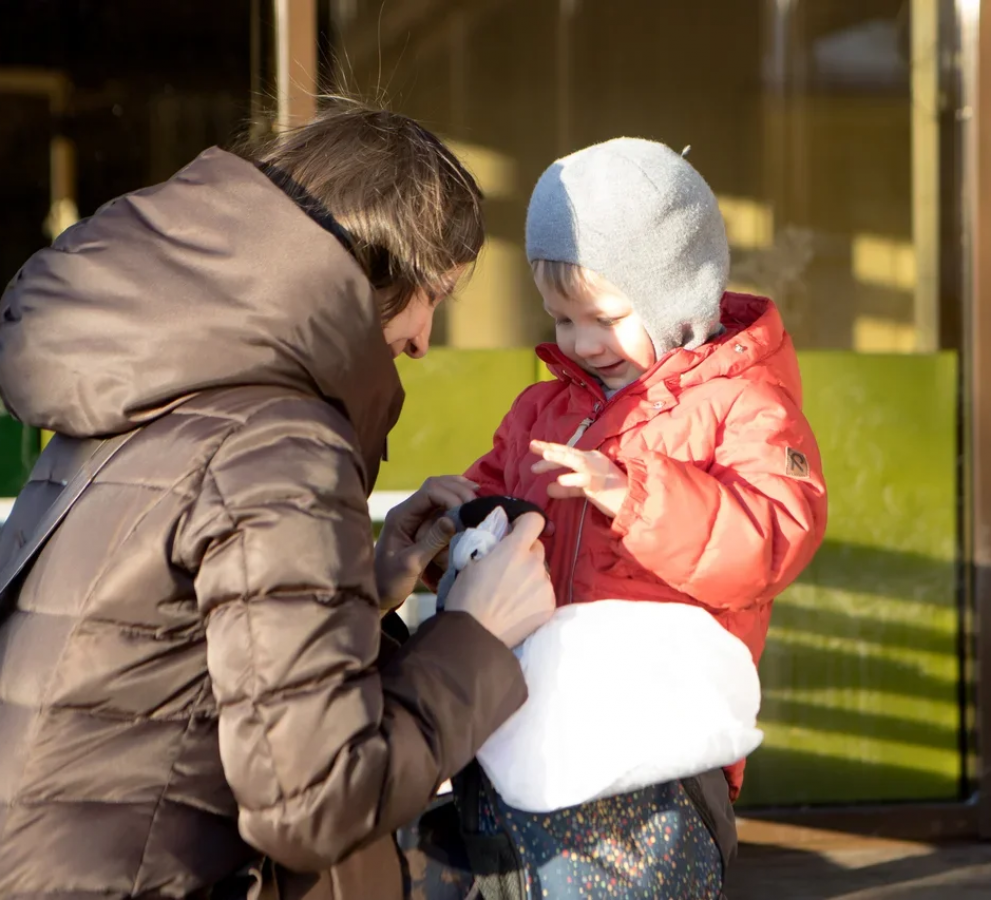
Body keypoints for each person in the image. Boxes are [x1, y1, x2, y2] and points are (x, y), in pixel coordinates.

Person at [0, 101, 555, 900]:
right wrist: (477, 635)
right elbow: (316, 800)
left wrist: (362, 588)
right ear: (377, 262)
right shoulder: (282, 442)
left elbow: (165, 662)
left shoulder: (150, 386)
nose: (427, 338)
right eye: (435, 292)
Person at [436, 137, 829, 897]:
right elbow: (498, 496)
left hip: (656, 751)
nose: (581, 344)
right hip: (535, 730)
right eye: (561, 320)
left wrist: (632, 492)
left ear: (674, 295)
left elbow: (773, 535)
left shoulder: (743, 405)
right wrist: (451, 528)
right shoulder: (545, 409)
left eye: (605, 317)